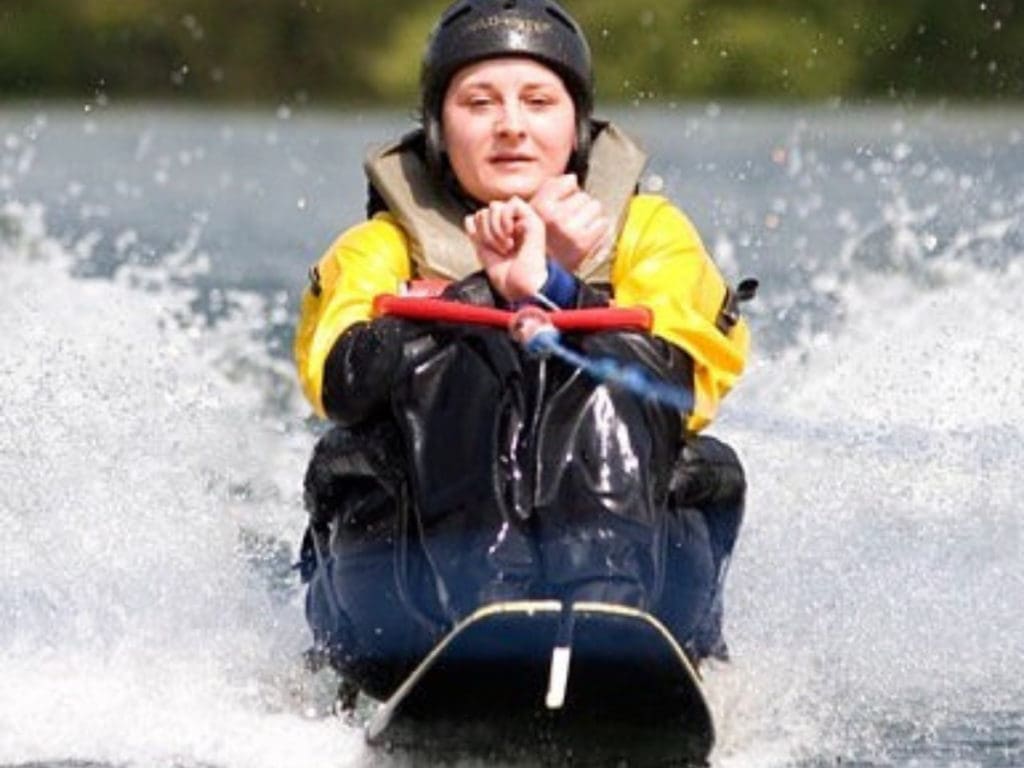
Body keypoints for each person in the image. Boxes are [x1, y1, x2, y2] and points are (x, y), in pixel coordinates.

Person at [293, 0, 752, 703]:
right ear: (441, 129)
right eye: (479, 102)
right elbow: (343, 381)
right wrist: (487, 295)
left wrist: (558, 290)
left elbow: (686, 384)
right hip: (410, 598)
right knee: (462, 361)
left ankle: (610, 619)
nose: (511, 124)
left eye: (539, 101)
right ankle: (489, 613)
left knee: (635, 376)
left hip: (645, 576)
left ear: (577, 126)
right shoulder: (378, 247)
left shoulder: (651, 234)